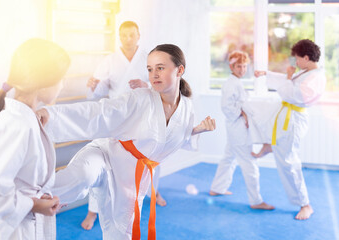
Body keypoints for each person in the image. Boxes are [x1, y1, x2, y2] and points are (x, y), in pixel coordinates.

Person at [36, 44, 215, 239]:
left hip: (132, 180)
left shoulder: (187, 108)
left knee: (121, 232)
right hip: (105, 155)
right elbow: (100, 112)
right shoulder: (140, 98)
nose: (153, 74)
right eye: (150, 69)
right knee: (83, 174)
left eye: (160, 68)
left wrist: (198, 129)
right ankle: (28, 200)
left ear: (179, 70)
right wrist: (52, 115)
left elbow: (175, 136)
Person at [0, 38, 70, 239]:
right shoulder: (17, 125)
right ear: (43, 84)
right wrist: (33, 204)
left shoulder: (25, 119)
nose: (63, 85)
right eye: (61, 78)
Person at [83, 20, 166, 231]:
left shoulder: (150, 57)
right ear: (119, 37)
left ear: (139, 35)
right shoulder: (109, 60)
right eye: (124, 35)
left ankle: (154, 192)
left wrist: (146, 85)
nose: (128, 39)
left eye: (132, 35)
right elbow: (98, 92)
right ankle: (93, 211)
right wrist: (94, 86)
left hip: (142, 114)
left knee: (150, 154)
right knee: (103, 160)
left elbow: (164, 85)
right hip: (115, 116)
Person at [254, 39, 326, 220]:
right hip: (287, 115)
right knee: (259, 109)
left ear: (307, 57)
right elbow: (290, 82)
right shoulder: (307, 72)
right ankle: (268, 143)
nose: (295, 63)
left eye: (297, 59)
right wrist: (266, 74)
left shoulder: (316, 77)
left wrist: (286, 77)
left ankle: (305, 204)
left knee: (289, 163)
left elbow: (295, 93)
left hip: (294, 120)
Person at [209, 51, 275, 210]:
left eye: (245, 66)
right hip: (238, 129)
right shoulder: (231, 84)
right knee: (249, 163)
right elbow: (226, 107)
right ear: (231, 66)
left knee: (228, 158)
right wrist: (242, 113)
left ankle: (217, 188)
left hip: (235, 129)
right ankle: (256, 200)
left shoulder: (236, 82)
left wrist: (243, 111)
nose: (242, 69)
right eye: (239, 66)